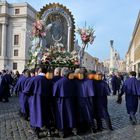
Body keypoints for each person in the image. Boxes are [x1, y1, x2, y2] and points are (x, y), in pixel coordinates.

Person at [23, 67, 51, 138]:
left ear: (38, 71)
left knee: (36, 116)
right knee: (46, 115)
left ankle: (37, 132)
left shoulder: (34, 79)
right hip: (46, 101)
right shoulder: (48, 80)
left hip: (35, 101)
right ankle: (48, 131)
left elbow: (27, 91)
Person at [53, 67, 77, 138]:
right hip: (69, 101)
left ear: (61, 73)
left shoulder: (58, 82)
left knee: (61, 116)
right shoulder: (71, 82)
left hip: (60, 102)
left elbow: (54, 93)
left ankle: (62, 132)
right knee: (69, 115)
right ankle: (72, 129)